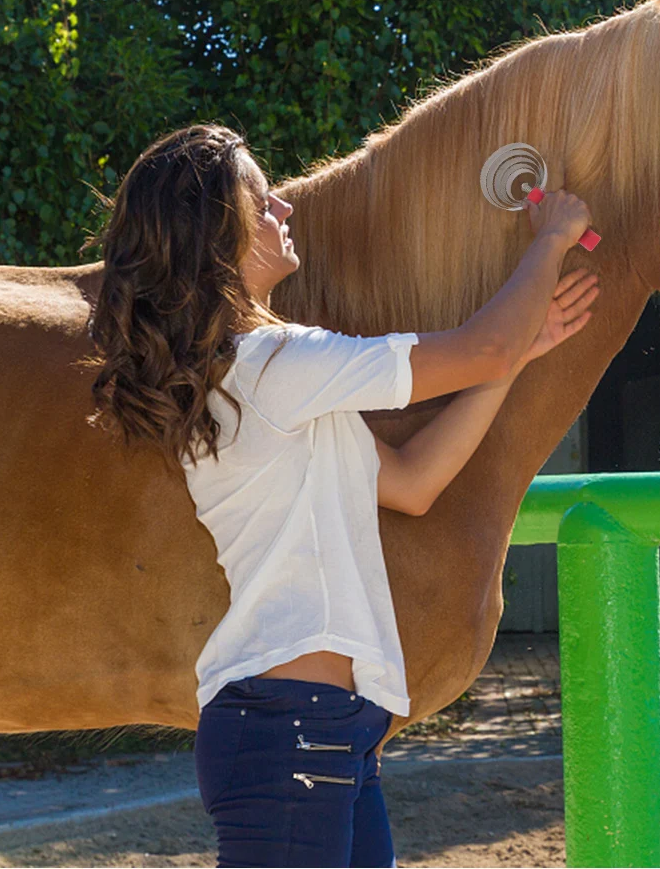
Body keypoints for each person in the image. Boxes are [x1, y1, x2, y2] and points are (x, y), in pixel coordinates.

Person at [88, 124, 598, 868]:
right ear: (218, 236)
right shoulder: (269, 366)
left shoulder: (268, 383)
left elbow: (415, 484)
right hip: (290, 726)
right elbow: (481, 342)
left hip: (326, 725)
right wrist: (549, 240)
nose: (284, 209)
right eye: (261, 202)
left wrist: (512, 359)